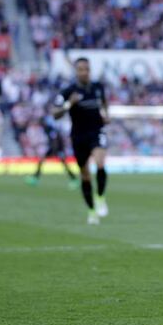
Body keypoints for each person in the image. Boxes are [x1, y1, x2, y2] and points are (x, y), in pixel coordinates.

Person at [52, 58, 109, 225]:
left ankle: (100, 197)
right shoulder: (68, 91)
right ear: (76, 71)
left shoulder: (98, 88)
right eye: (80, 69)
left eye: (86, 69)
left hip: (97, 131)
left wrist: (106, 114)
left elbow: (104, 104)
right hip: (78, 136)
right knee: (85, 175)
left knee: (100, 162)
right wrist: (70, 104)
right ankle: (91, 211)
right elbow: (55, 113)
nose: (84, 72)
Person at [25, 112, 79, 189]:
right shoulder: (47, 128)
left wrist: (56, 150)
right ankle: (35, 177)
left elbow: (55, 139)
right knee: (43, 161)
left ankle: (74, 179)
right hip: (54, 147)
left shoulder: (48, 128)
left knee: (62, 163)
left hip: (57, 148)